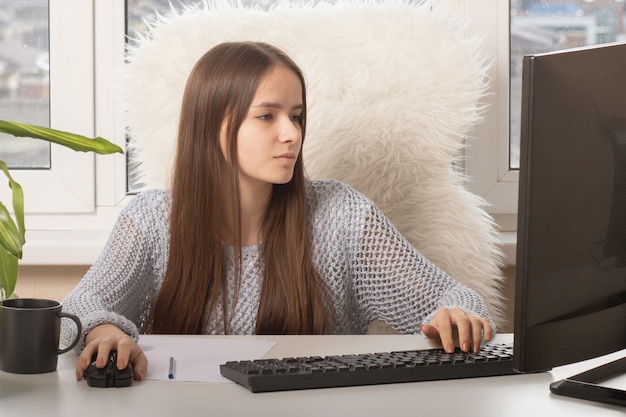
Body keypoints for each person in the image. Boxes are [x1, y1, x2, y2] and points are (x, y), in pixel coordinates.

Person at [61, 41, 495, 383]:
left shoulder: (342, 215)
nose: (291, 134)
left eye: (297, 116)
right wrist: (104, 332)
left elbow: (455, 299)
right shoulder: (153, 219)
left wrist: (454, 316)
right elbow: (76, 311)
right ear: (212, 125)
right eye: (267, 116)